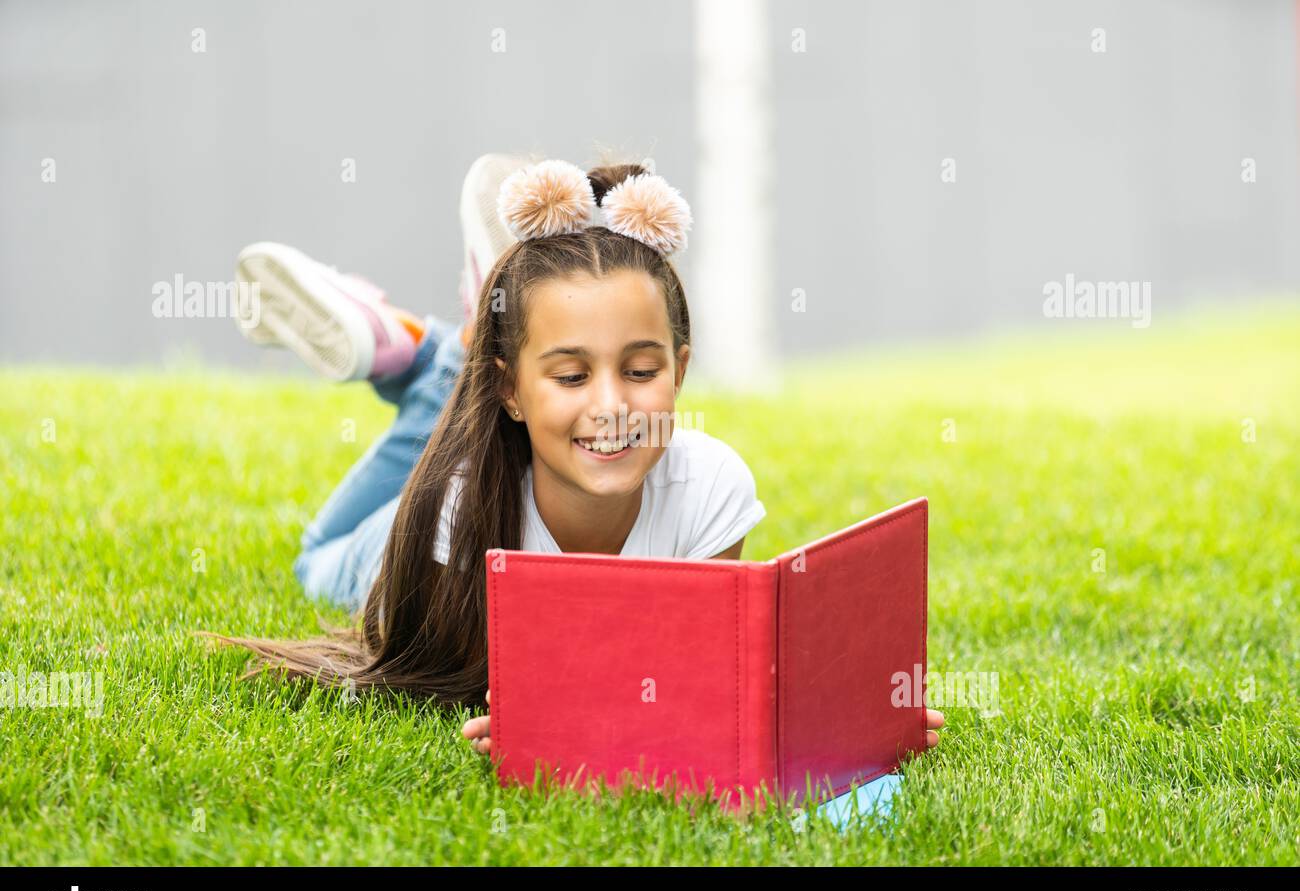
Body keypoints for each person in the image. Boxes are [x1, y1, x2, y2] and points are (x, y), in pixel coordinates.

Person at [212, 153, 946, 772]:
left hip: (496, 433)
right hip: (391, 543)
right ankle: (430, 358)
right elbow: (485, 683)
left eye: (640, 370)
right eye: (570, 377)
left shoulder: (713, 488)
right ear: (513, 388)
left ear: (680, 371)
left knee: (477, 426)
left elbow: (693, 674)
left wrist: (849, 709)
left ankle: (445, 352)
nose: (611, 406)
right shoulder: (459, 512)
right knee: (317, 560)